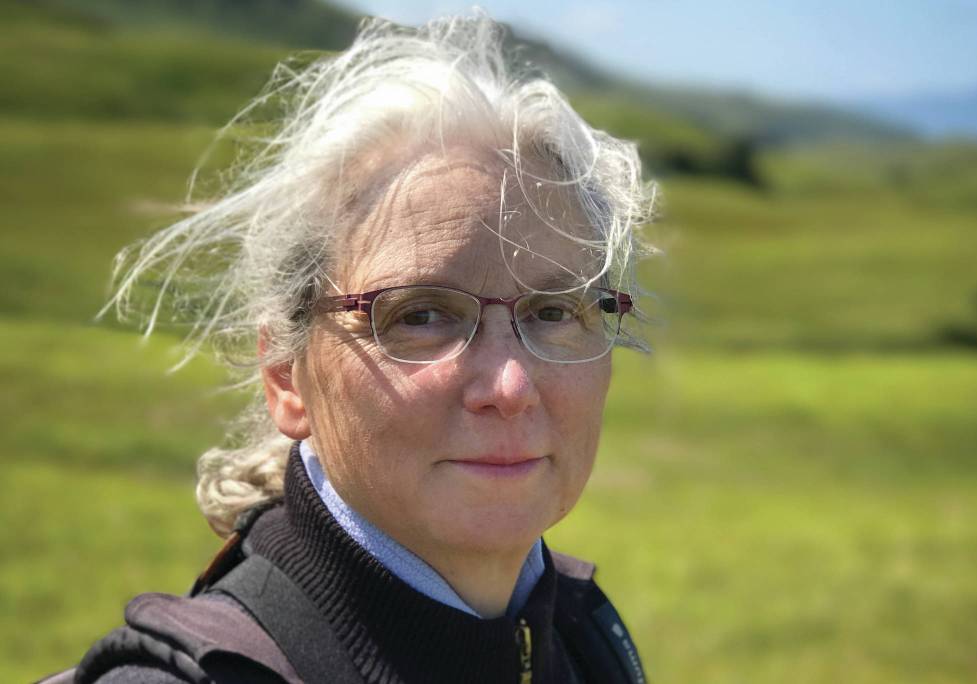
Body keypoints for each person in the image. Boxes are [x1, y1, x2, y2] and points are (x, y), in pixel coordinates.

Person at [48, 11, 655, 684]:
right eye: (421, 315)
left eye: (553, 311)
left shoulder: (587, 639)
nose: (509, 387)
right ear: (286, 376)